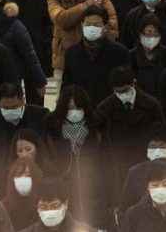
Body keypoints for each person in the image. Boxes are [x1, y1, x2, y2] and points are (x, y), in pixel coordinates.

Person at [40, 85, 111, 229]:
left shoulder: (98, 125)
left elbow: (107, 161)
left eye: (78, 108)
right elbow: (46, 159)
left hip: (95, 194)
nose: (74, 112)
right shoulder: (51, 126)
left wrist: (113, 199)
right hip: (65, 193)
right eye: (70, 108)